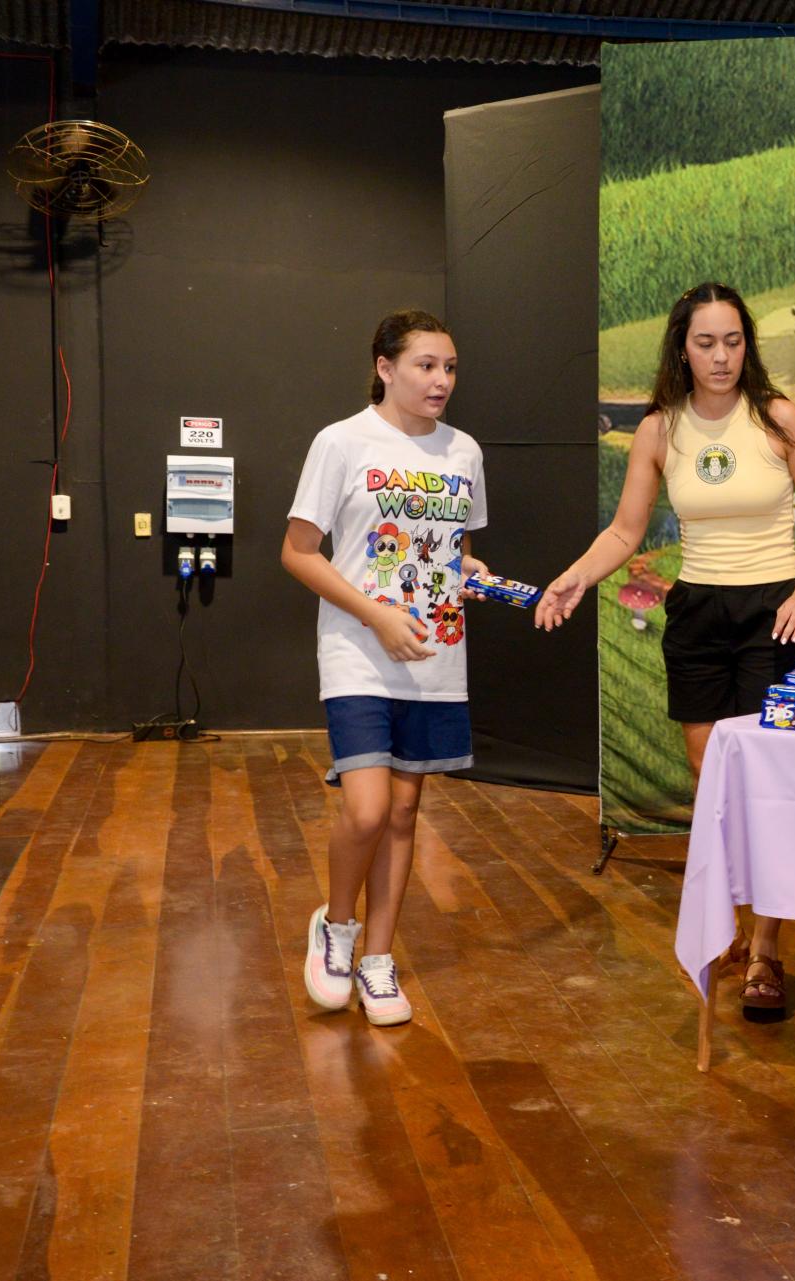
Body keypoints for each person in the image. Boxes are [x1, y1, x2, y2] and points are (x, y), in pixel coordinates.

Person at [536, 282, 795, 1019]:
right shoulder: (659, 430)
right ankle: (727, 922)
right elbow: (624, 531)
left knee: (766, 780)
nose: (721, 356)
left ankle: (767, 947)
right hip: (699, 614)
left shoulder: (778, 417)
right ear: (682, 348)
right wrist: (574, 578)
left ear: (747, 345)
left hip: (775, 614)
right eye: (706, 343)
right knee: (713, 777)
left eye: (733, 341)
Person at [283, 309, 489, 1028]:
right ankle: (336, 927)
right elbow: (298, 551)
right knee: (367, 809)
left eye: (450, 367)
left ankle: (378, 959)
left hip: (436, 654)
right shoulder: (341, 441)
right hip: (358, 652)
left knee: (403, 813)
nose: (441, 380)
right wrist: (375, 614)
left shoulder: (464, 451)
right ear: (384, 367)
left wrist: (469, 570)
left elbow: (453, 548)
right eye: (426, 365)